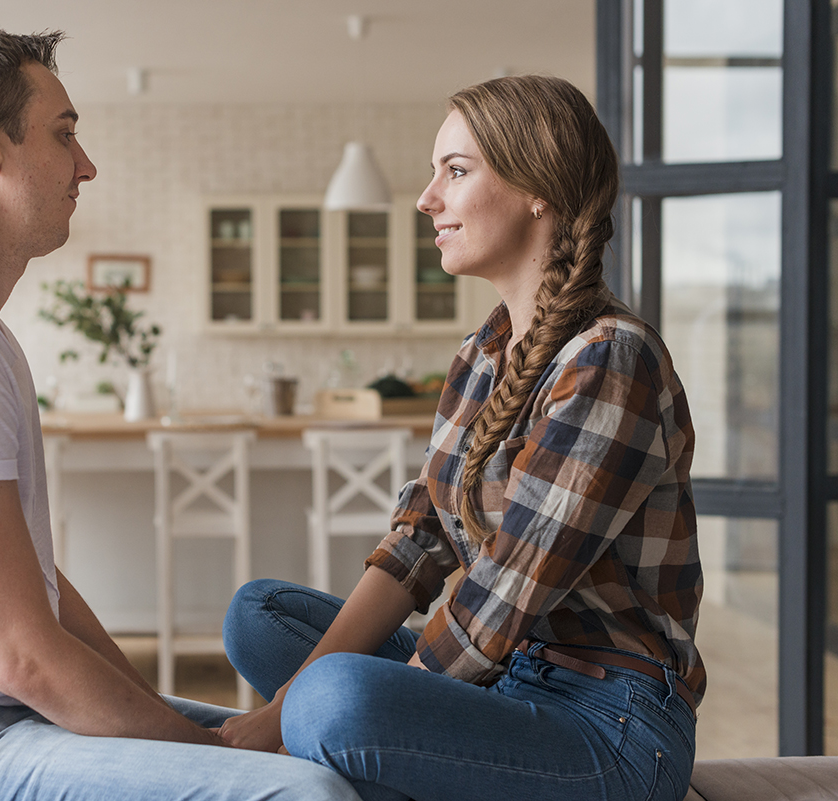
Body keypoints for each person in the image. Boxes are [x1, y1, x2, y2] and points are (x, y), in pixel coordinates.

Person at [0, 28, 361, 801]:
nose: (86, 165)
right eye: (65, 136)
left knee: (312, 748)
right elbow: (23, 657)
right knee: (302, 795)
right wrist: (194, 749)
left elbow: (29, 582)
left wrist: (164, 718)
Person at [218, 75, 706, 801]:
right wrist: (292, 707)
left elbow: (503, 595)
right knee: (259, 615)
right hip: (509, 679)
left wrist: (281, 717)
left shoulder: (610, 357)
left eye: (455, 171)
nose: (426, 199)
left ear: (539, 188)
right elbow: (417, 543)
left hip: (612, 720)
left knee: (331, 698)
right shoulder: (483, 355)